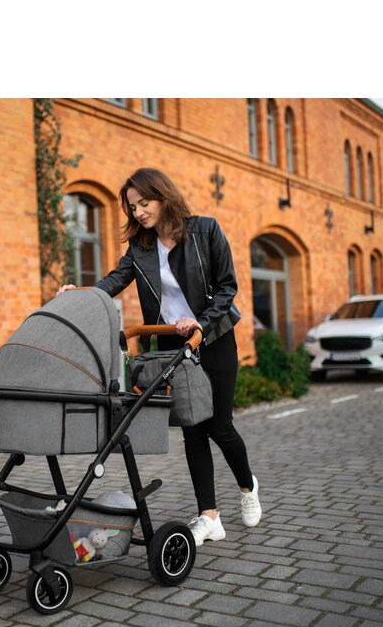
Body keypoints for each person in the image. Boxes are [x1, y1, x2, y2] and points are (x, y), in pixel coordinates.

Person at [56, 167, 261, 545]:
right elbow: (113, 281)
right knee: (192, 428)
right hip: (171, 346)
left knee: (219, 427)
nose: (138, 213)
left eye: (143, 203)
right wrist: (80, 295)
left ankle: (248, 487)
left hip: (213, 337)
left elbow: (227, 287)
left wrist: (200, 322)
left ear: (163, 196)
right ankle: (209, 516)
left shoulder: (205, 230)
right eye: (132, 208)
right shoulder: (141, 248)